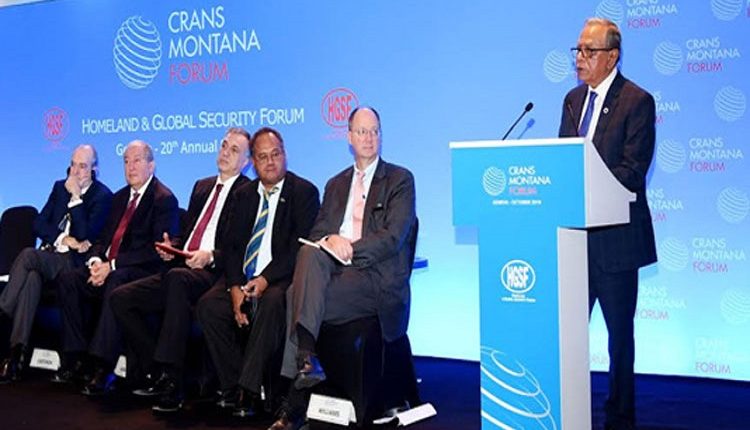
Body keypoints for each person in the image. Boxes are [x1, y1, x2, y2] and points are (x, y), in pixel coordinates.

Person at [269, 107, 417, 430]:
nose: (369, 138)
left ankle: (296, 392)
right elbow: (316, 235)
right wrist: (329, 240)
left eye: (375, 131)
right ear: (349, 137)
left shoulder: (400, 179)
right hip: (335, 272)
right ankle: (307, 363)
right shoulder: (335, 184)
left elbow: (394, 237)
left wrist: (349, 247)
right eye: (362, 131)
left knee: (295, 295)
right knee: (308, 255)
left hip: (375, 278)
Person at [108, 127, 252, 412]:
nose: (225, 152)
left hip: (213, 273)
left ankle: (173, 380)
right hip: (181, 267)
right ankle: (157, 369)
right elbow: (185, 234)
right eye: (224, 145)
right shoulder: (201, 186)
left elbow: (241, 246)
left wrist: (210, 256)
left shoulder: (247, 193)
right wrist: (170, 246)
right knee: (121, 298)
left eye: (234, 150)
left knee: (177, 279)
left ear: (246, 161)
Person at [559, 18, 657, 430]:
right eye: (578, 50)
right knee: (567, 337)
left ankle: (619, 418)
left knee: (619, 340)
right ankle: (567, 409)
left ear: (612, 56)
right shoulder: (571, 100)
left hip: (616, 243)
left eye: (589, 51)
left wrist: (587, 182)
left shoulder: (637, 101)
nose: (580, 58)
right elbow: (562, 163)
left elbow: (633, 171)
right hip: (574, 245)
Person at [196, 127, 319, 418]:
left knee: (273, 302)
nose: (270, 162)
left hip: (280, 277)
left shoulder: (304, 192)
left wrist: (264, 279)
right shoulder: (244, 195)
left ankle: (248, 390)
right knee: (208, 307)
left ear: (285, 154)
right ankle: (232, 383)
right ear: (253, 162)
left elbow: (298, 248)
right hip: (242, 276)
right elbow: (232, 247)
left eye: (276, 154)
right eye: (263, 157)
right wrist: (235, 287)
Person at [53, 140, 179, 396]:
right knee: (68, 279)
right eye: (126, 161)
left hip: (139, 273)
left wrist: (111, 266)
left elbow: (153, 252)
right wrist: (95, 262)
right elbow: (102, 239)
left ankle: (102, 365)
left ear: (151, 165)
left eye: (137, 160)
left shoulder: (163, 199)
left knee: (116, 280)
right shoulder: (119, 197)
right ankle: (76, 357)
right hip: (108, 266)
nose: (130, 167)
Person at [0, 145, 112, 383]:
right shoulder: (59, 187)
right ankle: (16, 355)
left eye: (83, 166)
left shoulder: (102, 196)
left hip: (73, 264)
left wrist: (76, 199)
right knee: (31, 279)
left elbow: (85, 234)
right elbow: (39, 223)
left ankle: (3, 309)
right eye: (73, 165)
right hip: (50, 256)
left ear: (94, 170)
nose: (76, 172)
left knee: (28, 255)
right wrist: (63, 238)